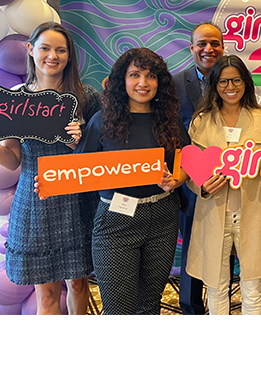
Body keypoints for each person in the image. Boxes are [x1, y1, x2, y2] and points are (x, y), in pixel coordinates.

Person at [0, 22, 101, 315]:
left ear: (69, 55)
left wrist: (80, 144)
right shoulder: (17, 99)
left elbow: (103, 154)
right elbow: (12, 160)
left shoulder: (86, 97)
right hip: (35, 200)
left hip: (78, 199)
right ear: (30, 49)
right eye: (45, 48)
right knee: (46, 294)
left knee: (78, 284)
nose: (53, 56)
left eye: (61, 50)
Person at [75, 48, 189, 315]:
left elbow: (187, 160)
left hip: (162, 217)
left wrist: (177, 179)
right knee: (119, 309)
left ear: (159, 82)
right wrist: (51, 182)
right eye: (135, 75)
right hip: (115, 219)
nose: (143, 83)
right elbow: (79, 170)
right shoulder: (102, 121)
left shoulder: (169, 120)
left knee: (149, 306)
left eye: (151, 76)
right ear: (122, 80)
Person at [186, 55, 261, 315]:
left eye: (236, 80)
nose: (230, 87)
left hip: (253, 213)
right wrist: (203, 188)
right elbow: (190, 171)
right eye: (223, 81)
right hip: (213, 215)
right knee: (216, 287)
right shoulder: (201, 121)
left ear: (246, 82)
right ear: (214, 84)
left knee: (252, 288)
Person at [172, 22, 224, 315]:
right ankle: (191, 309)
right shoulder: (176, 83)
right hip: (190, 179)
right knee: (193, 245)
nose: (208, 49)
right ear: (192, 48)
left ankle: (221, 305)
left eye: (214, 43)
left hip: (229, 177)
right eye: (202, 44)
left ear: (223, 47)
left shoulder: (233, 79)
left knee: (226, 245)